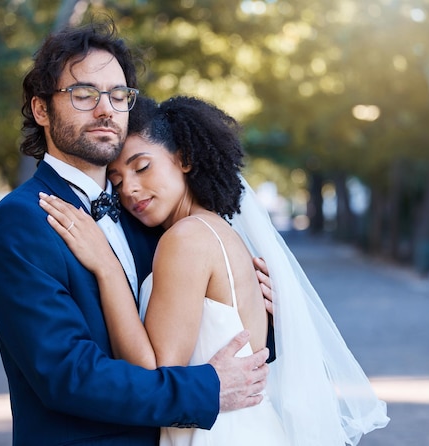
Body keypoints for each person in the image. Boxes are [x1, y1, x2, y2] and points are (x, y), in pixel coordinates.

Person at [0, 20, 272, 446]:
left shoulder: (146, 213)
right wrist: (207, 389)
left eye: (118, 95)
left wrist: (257, 314)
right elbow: (68, 375)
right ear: (41, 109)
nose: (105, 110)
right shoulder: (21, 222)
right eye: (84, 94)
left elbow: (188, 325)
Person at [39, 95, 390, 445]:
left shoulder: (187, 238)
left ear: (185, 160)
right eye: (115, 180)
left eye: (142, 167)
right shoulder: (217, 231)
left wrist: (107, 267)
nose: (129, 188)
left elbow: (153, 373)